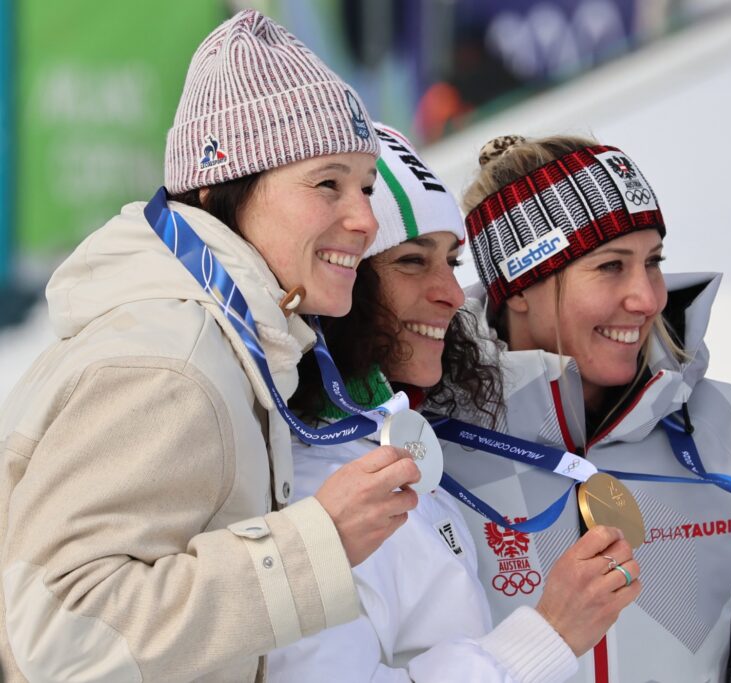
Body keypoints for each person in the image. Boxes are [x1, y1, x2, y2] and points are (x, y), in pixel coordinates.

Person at [0, 11, 421, 681]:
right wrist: (316, 545)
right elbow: (62, 636)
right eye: (327, 183)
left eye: (366, 187)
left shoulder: (225, 341)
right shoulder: (175, 362)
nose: (366, 219)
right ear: (224, 188)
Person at [440, 134, 731, 682]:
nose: (648, 298)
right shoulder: (429, 446)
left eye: (652, 262)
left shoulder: (726, 430)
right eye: (610, 266)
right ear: (520, 288)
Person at [269, 124, 640, 683]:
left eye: (452, 262)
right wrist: (549, 635)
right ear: (342, 277)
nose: (450, 293)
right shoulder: (314, 479)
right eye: (412, 261)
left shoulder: (390, 437)